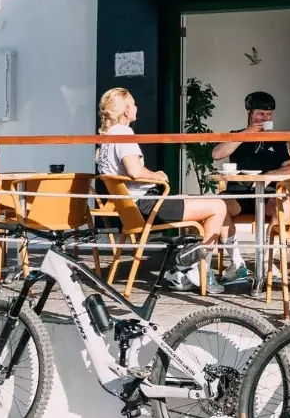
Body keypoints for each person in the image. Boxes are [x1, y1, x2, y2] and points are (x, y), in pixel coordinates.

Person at [95, 87, 242, 293]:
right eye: (134, 103)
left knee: (213, 206)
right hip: (147, 205)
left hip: (131, 209)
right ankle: (194, 269)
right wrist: (157, 176)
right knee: (217, 206)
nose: (137, 107)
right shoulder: (123, 133)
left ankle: (202, 268)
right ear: (126, 110)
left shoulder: (105, 138)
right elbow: (134, 171)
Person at [212, 91, 290, 219]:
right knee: (218, 205)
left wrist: (268, 176)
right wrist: (246, 134)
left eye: (269, 114)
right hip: (237, 193)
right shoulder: (236, 135)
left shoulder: (278, 141)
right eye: (260, 114)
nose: (265, 119)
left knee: (285, 204)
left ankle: (272, 238)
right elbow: (217, 154)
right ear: (250, 114)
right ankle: (230, 239)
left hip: (268, 193)